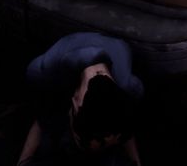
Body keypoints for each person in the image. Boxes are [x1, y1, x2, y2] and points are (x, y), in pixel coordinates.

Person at [18, 32, 145, 166]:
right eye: (83, 143)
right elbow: (41, 117)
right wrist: (23, 161)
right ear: (75, 104)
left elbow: (124, 125)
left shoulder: (130, 89)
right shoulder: (42, 73)